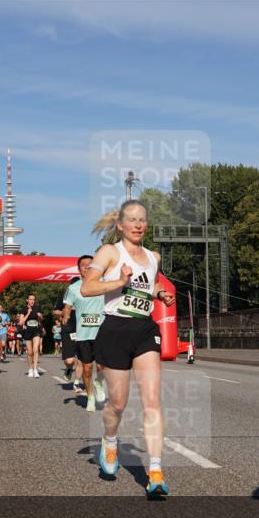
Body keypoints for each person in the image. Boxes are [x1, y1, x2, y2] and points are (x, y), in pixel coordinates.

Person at [81, 201, 175, 497]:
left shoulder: (153, 256)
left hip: (145, 330)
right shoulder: (110, 252)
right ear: (120, 225)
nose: (138, 225)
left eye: (143, 220)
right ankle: (110, 443)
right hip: (114, 329)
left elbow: (153, 286)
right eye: (132, 220)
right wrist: (118, 281)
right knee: (117, 404)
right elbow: (87, 287)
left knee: (152, 401)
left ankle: (156, 473)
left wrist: (162, 295)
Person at [65, 254, 107, 412]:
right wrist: (67, 314)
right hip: (83, 335)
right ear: (79, 269)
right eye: (84, 265)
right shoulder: (73, 288)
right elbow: (68, 305)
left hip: (102, 332)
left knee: (104, 366)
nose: (88, 267)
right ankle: (90, 396)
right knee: (87, 368)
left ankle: (99, 383)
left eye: (91, 265)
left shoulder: (103, 284)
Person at [19, 294, 43, 377]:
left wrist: (40, 316)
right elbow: (21, 322)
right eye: (30, 299)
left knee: (36, 350)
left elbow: (40, 320)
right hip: (27, 331)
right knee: (30, 352)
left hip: (36, 330)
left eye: (33, 299)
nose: (32, 301)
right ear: (27, 300)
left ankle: (35, 369)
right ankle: (30, 369)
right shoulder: (24, 309)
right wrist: (28, 313)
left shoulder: (37, 308)